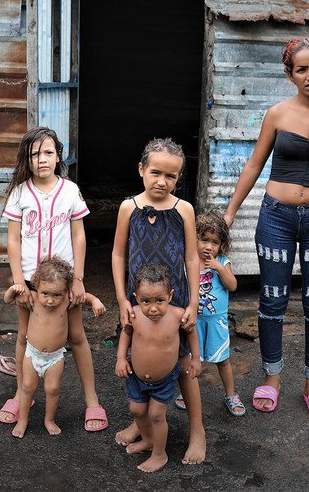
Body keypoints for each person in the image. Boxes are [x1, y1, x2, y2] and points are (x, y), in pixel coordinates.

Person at [223, 37, 309, 419]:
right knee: (272, 299)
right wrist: (230, 212)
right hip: (276, 217)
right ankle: (272, 378)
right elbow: (253, 164)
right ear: (290, 74)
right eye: (302, 69)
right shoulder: (277, 114)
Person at [0, 127, 108, 432]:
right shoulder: (20, 193)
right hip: (32, 284)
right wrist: (19, 281)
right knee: (24, 336)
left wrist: (80, 279)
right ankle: (22, 393)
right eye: (34, 154)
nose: (41, 159)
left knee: (76, 335)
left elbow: (78, 234)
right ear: (27, 159)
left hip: (65, 282)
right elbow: (14, 240)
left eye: (48, 152)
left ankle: (92, 400)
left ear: (58, 155)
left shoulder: (70, 191)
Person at [111, 138, 205, 464]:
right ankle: (142, 423)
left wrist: (192, 302)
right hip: (137, 299)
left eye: (171, 176)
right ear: (141, 170)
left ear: (179, 179)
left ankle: (197, 431)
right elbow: (118, 253)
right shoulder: (128, 208)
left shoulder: (184, 210)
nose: (162, 182)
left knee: (180, 363)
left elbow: (192, 257)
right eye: (155, 172)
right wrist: (122, 299)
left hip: (173, 298)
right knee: (140, 354)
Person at [3, 256, 107, 438]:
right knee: (27, 387)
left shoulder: (67, 300)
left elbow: (86, 297)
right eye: (46, 294)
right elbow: (7, 300)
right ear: (37, 286)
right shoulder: (32, 298)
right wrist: (13, 290)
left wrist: (96, 301)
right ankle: (23, 421)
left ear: (65, 291)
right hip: (32, 354)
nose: (50, 300)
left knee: (53, 389)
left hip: (54, 357)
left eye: (56, 295)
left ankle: (49, 420)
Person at [115, 262, 200, 473]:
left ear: (170, 296)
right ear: (135, 297)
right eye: (146, 301)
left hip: (164, 378)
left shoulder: (177, 314)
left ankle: (159, 454)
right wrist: (120, 359)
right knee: (136, 409)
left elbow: (191, 332)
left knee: (155, 414)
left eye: (159, 301)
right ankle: (148, 439)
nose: (153, 308)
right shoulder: (134, 314)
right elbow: (126, 333)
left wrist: (196, 358)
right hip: (136, 375)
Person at [178, 212, 244, 416]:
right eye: (204, 239)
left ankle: (231, 394)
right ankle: (186, 393)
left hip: (216, 321)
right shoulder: (187, 262)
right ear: (194, 238)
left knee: (222, 359)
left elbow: (232, 286)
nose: (209, 246)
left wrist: (219, 269)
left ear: (221, 245)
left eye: (215, 242)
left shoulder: (222, 262)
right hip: (193, 321)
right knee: (189, 359)